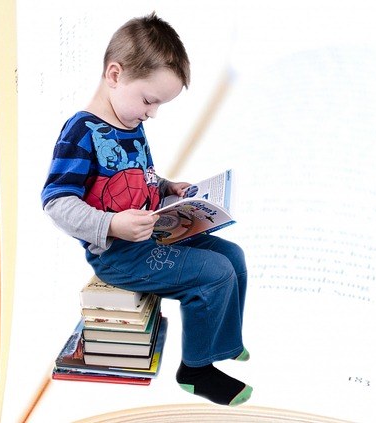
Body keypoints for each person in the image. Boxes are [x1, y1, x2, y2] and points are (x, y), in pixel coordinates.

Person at [40, 12, 252, 407]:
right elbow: (55, 202)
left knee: (233, 257)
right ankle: (195, 370)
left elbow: (139, 177)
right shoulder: (80, 132)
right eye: (150, 100)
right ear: (115, 74)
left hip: (155, 234)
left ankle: (224, 342)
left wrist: (169, 187)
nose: (152, 113)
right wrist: (111, 224)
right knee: (214, 273)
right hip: (120, 257)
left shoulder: (129, 121)